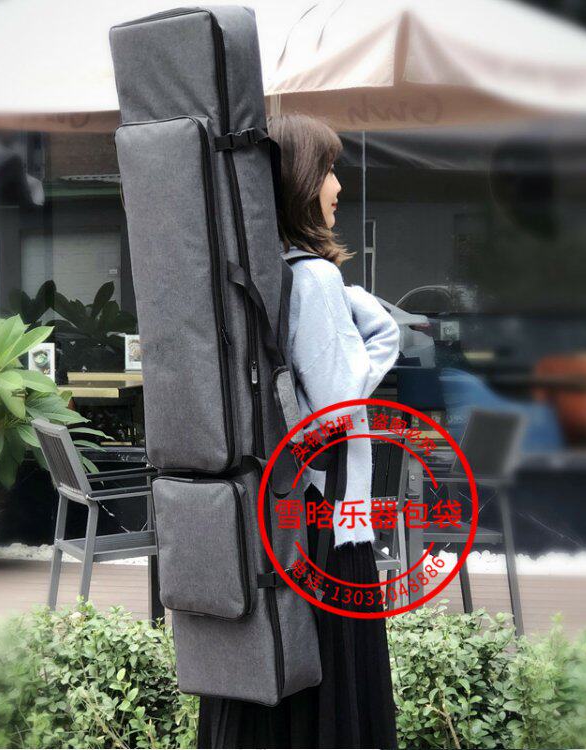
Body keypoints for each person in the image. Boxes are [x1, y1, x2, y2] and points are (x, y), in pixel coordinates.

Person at [197, 113, 401, 749]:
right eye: (329, 170)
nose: (337, 186)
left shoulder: (249, 276)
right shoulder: (314, 278)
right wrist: (381, 334)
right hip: (327, 524)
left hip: (266, 514)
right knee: (332, 693)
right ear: (300, 183)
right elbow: (337, 408)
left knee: (271, 683)